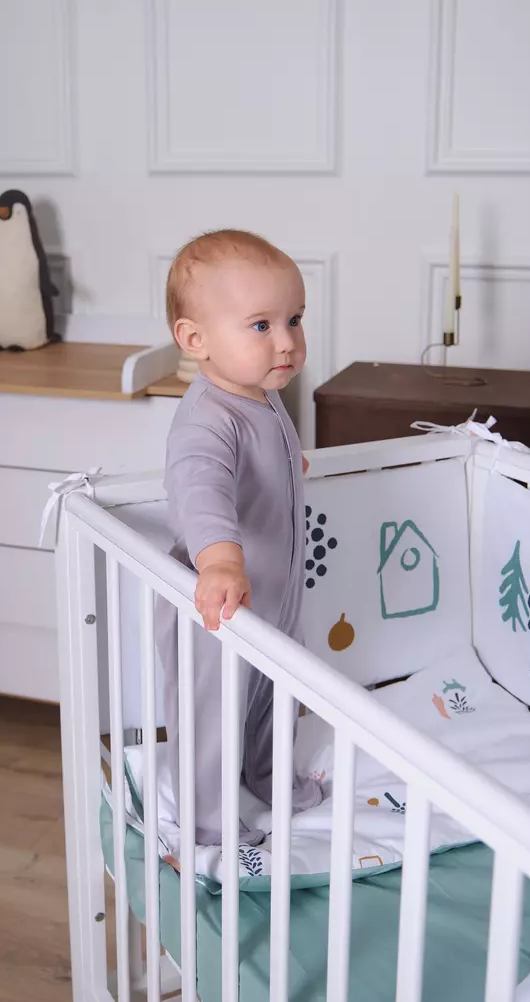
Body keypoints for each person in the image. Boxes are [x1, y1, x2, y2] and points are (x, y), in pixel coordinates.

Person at [156, 228, 323, 847]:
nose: (287, 341)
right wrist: (221, 562)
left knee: (275, 696)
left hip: (275, 597)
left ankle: (270, 775)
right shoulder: (207, 419)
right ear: (195, 339)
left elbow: (265, 454)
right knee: (215, 712)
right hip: (219, 605)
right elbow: (201, 490)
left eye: (294, 319)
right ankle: (206, 821)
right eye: (261, 325)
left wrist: (288, 465)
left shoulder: (262, 395)